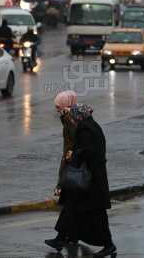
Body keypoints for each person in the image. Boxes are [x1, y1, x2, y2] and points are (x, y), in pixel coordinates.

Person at [46, 103, 117, 257]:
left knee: (96, 215)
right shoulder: (93, 126)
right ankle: (62, 238)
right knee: (72, 208)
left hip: (90, 181)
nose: (72, 119)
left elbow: (87, 152)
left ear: (79, 116)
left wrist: (74, 155)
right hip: (91, 180)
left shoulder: (85, 130)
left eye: (73, 116)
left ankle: (109, 245)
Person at [53, 91, 78, 201]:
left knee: (66, 175)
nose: (57, 109)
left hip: (70, 154)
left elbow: (74, 137)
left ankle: (63, 194)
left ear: (65, 104)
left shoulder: (70, 118)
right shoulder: (68, 116)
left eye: (58, 106)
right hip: (69, 153)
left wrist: (70, 152)